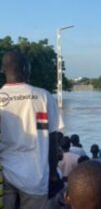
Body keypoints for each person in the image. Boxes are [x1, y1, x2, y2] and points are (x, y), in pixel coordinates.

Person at [0, 51, 64, 209]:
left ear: (3, 70)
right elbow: (52, 140)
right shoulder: (43, 97)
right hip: (36, 176)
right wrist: (53, 173)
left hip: (4, 175)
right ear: (25, 68)